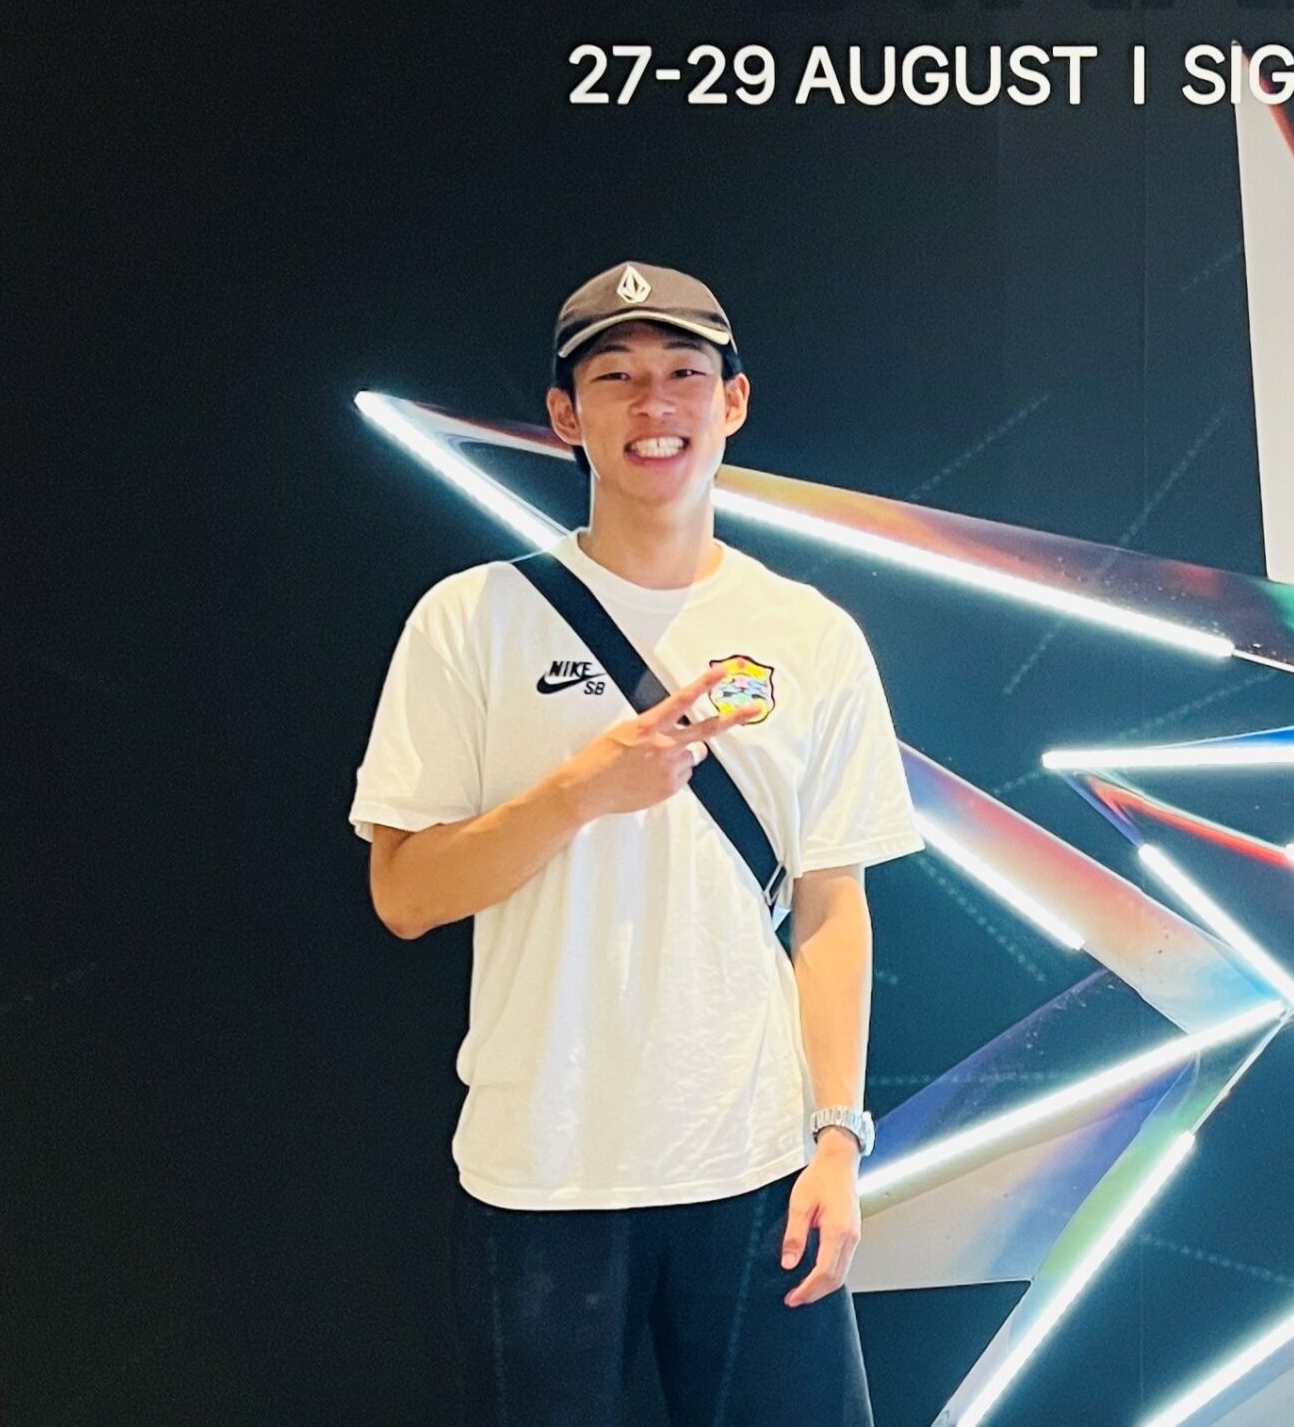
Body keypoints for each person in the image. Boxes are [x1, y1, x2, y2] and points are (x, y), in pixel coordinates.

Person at [351, 262, 920, 1426]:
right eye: (613, 377)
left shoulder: (809, 635)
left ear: (732, 401)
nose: (652, 404)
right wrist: (577, 792)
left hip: (757, 1167)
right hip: (540, 1170)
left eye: (682, 373)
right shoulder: (471, 620)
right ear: (566, 416)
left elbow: (832, 906)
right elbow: (404, 892)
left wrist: (836, 1139)